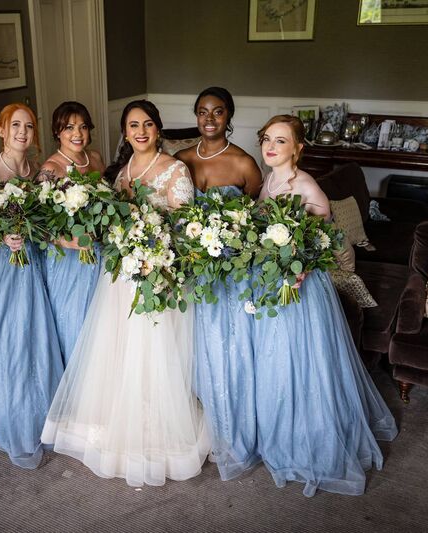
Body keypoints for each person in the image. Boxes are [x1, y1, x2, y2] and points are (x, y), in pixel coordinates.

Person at [41, 100, 210, 487]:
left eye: (148, 124)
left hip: (159, 274)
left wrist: (147, 237)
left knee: (153, 351)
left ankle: (156, 424)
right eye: (133, 124)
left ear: (158, 129)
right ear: (125, 130)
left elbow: (186, 231)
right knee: (117, 351)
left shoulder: (175, 169)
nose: (141, 131)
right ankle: (117, 419)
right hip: (120, 275)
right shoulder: (120, 173)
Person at [253, 114, 398, 496]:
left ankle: (307, 435)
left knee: (300, 361)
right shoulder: (269, 179)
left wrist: (298, 269)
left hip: (300, 285)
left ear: (298, 148)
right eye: (267, 138)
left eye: (281, 140)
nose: (271, 146)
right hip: (271, 277)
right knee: (270, 356)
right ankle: (271, 422)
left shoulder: (307, 186)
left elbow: (323, 241)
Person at [175, 87, 262, 481]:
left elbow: (259, 222)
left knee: (227, 350)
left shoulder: (245, 164)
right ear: (195, 116)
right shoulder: (180, 160)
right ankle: (197, 429)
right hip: (191, 271)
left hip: (230, 276)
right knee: (189, 349)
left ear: (229, 116)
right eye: (202, 112)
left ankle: (229, 427)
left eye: (218, 111)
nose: (210, 118)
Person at [0, 103, 63, 469]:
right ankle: (10, 417)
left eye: (29, 125)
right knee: (9, 340)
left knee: (38, 338)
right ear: (1, 130)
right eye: (15, 125)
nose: (23, 132)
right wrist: (0, 236)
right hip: (4, 270)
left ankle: (43, 411)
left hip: (37, 263)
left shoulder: (37, 171)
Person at [38, 102, 106, 364]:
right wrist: (74, 242)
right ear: (57, 132)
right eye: (69, 127)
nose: (77, 134)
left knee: (99, 322)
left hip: (98, 253)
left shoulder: (96, 158)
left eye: (83, 127)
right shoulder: (50, 169)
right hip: (69, 260)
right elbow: (41, 229)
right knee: (74, 320)